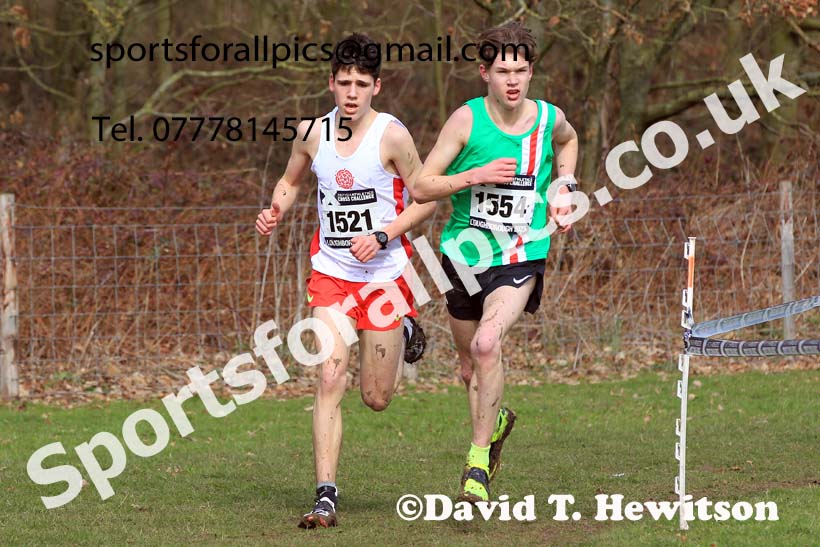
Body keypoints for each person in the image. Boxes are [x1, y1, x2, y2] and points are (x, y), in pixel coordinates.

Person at [255, 32, 434, 528]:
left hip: (384, 278)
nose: (352, 93)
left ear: (377, 86)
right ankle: (325, 496)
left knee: (376, 398)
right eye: (344, 82)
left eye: (361, 83)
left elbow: (426, 198)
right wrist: (275, 210)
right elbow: (290, 181)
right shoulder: (311, 133)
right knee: (330, 375)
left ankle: (402, 328)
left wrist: (382, 234)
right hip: (332, 273)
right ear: (330, 83)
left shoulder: (392, 136)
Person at [414, 21, 579, 503]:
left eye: (521, 71)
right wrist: (475, 175)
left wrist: (563, 188)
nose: (513, 81)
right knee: (470, 369)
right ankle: (497, 419)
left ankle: (477, 464)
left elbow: (568, 142)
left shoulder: (547, 119)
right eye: (503, 71)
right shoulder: (465, 121)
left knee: (487, 344)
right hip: (462, 257)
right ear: (485, 72)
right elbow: (422, 186)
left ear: (531, 72)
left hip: (520, 255)